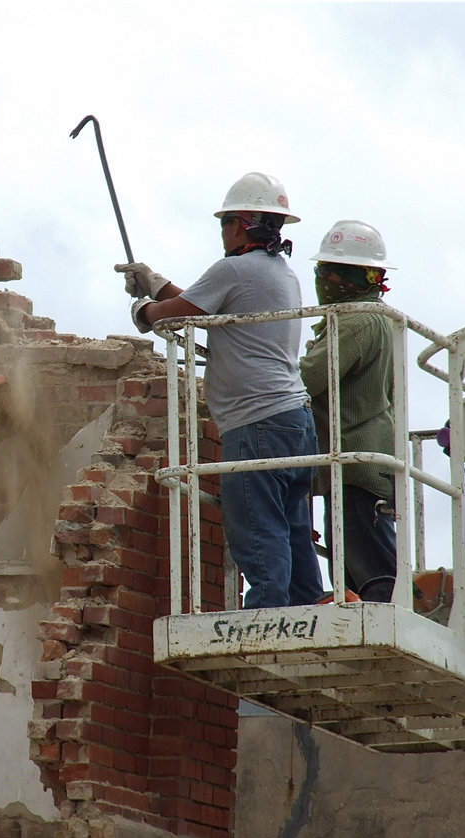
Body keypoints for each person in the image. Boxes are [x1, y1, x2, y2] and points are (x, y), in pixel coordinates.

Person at [116, 172, 323, 609]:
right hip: (294, 421)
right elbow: (203, 303)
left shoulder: (235, 268)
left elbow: (172, 315)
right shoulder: (277, 273)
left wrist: (144, 309)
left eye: (225, 223)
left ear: (241, 225)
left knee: (259, 535)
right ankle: (308, 614)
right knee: (292, 531)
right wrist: (154, 282)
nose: (223, 232)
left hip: (256, 424)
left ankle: (265, 626)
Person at [298, 220, 398, 603]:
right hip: (361, 464)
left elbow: (306, 379)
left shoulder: (356, 321)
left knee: (372, 576)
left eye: (327, 272)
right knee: (354, 577)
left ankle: (386, 620)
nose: (321, 280)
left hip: (355, 465)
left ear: (350, 278)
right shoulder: (380, 318)